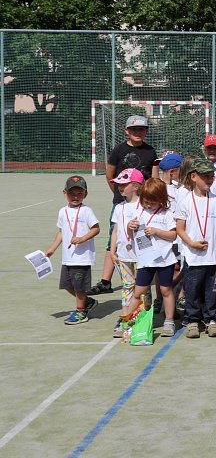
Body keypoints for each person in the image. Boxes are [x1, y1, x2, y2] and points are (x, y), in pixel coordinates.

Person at [89, 115, 157, 296]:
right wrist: (120, 195)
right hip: (122, 202)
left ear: (146, 131)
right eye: (134, 129)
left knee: (143, 238)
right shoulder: (118, 150)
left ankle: (143, 278)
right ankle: (105, 281)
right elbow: (110, 174)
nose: (138, 132)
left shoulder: (150, 151)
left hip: (144, 203)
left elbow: (153, 178)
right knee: (116, 238)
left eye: (141, 129)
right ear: (126, 131)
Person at [175, 158, 216, 339]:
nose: (210, 180)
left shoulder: (215, 201)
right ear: (194, 177)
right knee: (192, 289)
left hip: (213, 256)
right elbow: (179, 229)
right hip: (193, 256)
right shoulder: (185, 202)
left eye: (212, 176)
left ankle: (212, 318)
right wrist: (190, 243)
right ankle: (192, 320)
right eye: (206, 176)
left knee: (212, 289)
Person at [121, 178, 179, 337]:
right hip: (145, 260)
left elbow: (173, 235)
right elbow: (129, 232)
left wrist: (156, 231)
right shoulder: (138, 212)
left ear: (162, 200)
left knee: (165, 290)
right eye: (145, 201)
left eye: (152, 202)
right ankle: (128, 320)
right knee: (138, 291)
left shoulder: (167, 214)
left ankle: (169, 320)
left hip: (165, 258)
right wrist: (129, 226)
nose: (148, 205)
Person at [45, 176, 100, 325]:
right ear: (64, 193)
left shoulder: (87, 211)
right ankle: (87, 301)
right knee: (66, 285)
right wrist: (52, 249)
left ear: (85, 194)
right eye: (72, 193)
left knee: (79, 286)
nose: (75, 197)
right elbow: (61, 232)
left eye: (79, 193)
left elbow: (96, 229)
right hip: (67, 257)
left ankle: (81, 312)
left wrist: (83, 239)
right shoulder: (62, 211)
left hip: (82, 258)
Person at [108, 168, 144, 337]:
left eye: (124, 184)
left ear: (136, 186)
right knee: (127, 287)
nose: (120, 187)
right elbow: (115, 230)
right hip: (123, 255)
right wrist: (113, 250)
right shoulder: (119, 207)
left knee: (143, 289)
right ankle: (126, 319)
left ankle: (143, 319)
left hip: (141, 255)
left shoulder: (143, 206)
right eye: (119, 184)